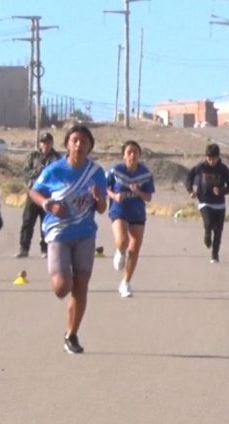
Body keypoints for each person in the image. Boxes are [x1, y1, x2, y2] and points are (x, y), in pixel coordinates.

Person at [28, 125, 108, 354]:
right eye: (75, 140)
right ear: (67, 144)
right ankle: (65, 276)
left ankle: (71, 334)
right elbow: (34, 191)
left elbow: (102, 208)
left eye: (84, 141)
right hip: (58, 233)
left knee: (81, 287)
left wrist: (98, 198)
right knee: (63, 288)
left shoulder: (96, 173)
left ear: (90, 146)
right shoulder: (55, 170)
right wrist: (48, 204)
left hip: (85, 234)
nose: (79, 145)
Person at [106, 140, 155, 297]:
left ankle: (125, 283)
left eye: (135, 152)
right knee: (122, 241)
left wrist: (138, 191)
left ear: (139, 155)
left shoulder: (145, 174)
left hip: (137, 212)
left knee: (134, 249)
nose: (132, 155)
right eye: (129, 152)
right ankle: (120, 251)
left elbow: (148, 197)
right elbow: (104, 188)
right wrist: (114, 195)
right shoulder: (115, 171)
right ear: (124, 155)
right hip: (119, 208)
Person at [185, 143, 229, 263]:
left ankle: (215, 255)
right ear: (206, 157)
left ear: (218, 157)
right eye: (209, 158)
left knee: (218, 231)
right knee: (208, 224)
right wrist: (190, 190)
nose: (211, 161)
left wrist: (222, 190)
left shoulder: (223, 169)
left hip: (220, 205)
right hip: (205, 202)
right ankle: (207, 235)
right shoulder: (201, 167)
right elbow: (189, 177)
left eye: (214, 158)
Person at [17, 132, 61, 258]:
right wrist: (35, 172)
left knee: (46, 223)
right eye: (43, 142)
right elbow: (25, 173)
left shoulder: (57, 158)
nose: (45, 145)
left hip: (48, 195)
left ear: (52, 143)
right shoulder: (33, 156)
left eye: (47, 142)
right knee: (27, 221)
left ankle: (45, 249)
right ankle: (23, 248)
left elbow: (60, 175)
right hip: (33, 194)